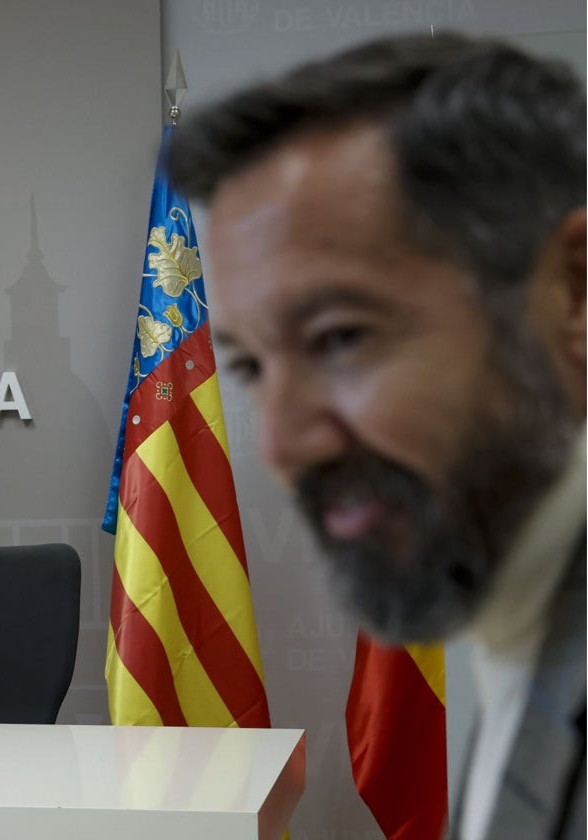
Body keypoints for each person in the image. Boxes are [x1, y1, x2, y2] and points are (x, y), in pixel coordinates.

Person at [164, 33, 585, 840]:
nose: (281, 446)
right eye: (250, 366)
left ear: (575, 291)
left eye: (341, 339)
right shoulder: (527, 623)